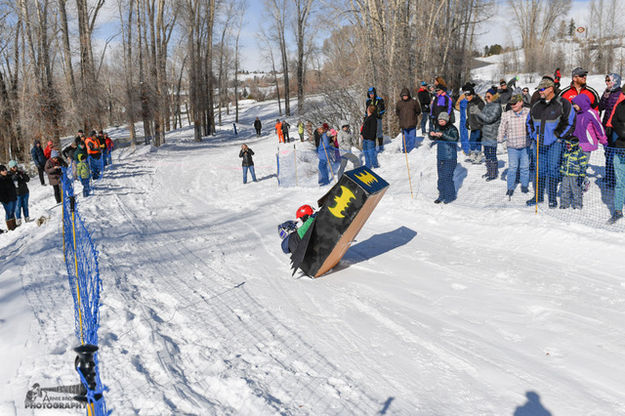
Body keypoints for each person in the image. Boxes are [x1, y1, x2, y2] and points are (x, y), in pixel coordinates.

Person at [526, 76, 575, 208]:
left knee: (553, 170)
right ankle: (538, 196)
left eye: (542, 89)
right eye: (539, 89)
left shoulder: (563, 103)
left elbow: (570, 122)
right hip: (538, 142)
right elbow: (529, 121)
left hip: (554, 143)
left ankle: (552, 198)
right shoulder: (536, 104)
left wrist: (557, 135)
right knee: (539, 170)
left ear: (550, 88)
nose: (540, 92)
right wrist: (533, 135)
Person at [571, 94, 607, 191]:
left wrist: (603, 140)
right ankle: (582, 180)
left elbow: (599, 127)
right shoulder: (576, 114)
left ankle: (582, 183)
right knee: (576, 165)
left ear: (581, 103)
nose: (574, 106)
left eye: (575, 104)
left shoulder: (592, 113)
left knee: (582, 165)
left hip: (588, 143)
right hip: (577, 144)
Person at [497, 94, 531, 196]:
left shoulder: (528, 112)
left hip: (525, 145)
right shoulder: (507, 114)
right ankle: (510, 187)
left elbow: (534, 125)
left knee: (525, 167)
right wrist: (499, 140)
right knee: (513, 167)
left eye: (515, 103)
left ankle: (524, 186)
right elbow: (502, 128)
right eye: (511, 104)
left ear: (521, 102)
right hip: (512, 146)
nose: (512, 105)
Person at [599, 73, 622, 188]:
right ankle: (609, 175)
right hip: (606, 126)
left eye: (609, 80)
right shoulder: (608, 92)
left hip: (615, 128)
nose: (607, 83)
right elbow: (601, 107)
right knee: (607, 152)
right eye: (606, 80)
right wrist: (604, 96)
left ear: (615, 81)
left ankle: (614, 179)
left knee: (614, 153)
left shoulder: (620, 94)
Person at [473, 87, 502, 181]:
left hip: (492, 134)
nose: (486, 98)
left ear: (494, 96)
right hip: (485, 133)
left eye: (488, 96)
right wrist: (475, 114)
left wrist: (479, 113)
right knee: (487, 154)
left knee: (492, 154)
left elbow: (489, 119)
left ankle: (493, 173)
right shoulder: (487, 106)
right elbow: (482, 120)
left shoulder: (497, 106)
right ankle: (489, 171)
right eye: (485, 97)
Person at [429, 112, 458, 204]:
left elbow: (455, 139)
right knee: (441, 177)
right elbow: (433, 138)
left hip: (450, 157)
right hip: (440, 156)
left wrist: (443, 135)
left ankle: (450, 196)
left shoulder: (452, 128)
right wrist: (432, 135)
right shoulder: (438, 128)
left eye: (442, 121)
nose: (440, 122)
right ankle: (441, 195)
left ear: (446, 120)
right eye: (439, 121)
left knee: (447, 177)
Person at [606, 90, 625, 223]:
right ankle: (618, 210)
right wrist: (622, 132)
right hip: (620, 147)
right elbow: (615, 121)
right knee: (620, 182)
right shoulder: (620, 106)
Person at [559, 137, 588, 209]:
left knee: (576, 190)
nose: (567, 147)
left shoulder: (580, 154)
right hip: (566, 175)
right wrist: (561, 172)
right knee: (565, 190)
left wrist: (581, 176)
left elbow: (583, 166)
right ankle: (564, 204)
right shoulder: (566, 153)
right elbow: (563, 163)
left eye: (569, 145)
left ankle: (577, 205)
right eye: (566, 145)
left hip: (575, 176)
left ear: (574, 145)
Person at [463, 83, 486, 164]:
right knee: (472, 141)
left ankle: (478, 155)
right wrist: (467, 121)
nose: (467, 97)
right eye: (465, 96)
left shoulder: (479, 102)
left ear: (472, 94)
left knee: (476, 140)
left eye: (468, 95)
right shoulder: (469, 103)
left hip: (479, 125)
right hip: (473, 125)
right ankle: (473, 154)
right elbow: (470, 114)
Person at [395, 87, 421, 153]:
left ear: (408, 95)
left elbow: (418, 111)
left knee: (412, 139)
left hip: (412, 124)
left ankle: (411, 151)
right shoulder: (399, 103)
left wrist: (414, 117)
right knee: (405, 139)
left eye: (406, 95)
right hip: (403, 125)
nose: (405, 97)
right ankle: (405, 151)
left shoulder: (414, 102)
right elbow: (397, 112)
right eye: (403, 96)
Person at [8, 160, 30, 225]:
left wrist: (23, 175)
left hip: (25, 191)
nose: (15, 168)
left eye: (15, 166)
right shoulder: (9, 174)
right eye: (13, 167)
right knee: (18, 206)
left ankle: (27, 217)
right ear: (10, 167)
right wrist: (14, 177)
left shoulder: (20, 172)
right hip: (17, 194)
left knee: (25, 206)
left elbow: (27, 180)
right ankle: (18, 219)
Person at [365, 86, 386, 152]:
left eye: (372, 93)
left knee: (379, 132)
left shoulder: (379, 99)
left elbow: (383, 109)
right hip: (370, 119)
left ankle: (381, 147)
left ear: (374, 93)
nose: (371, 94)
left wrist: (379, 114)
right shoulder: (368, 101)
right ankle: (373, 147)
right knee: (372, 133)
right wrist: (366, 117)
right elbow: (366, 110)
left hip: (378, 118)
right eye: (370, 93)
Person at [0, 164, 18, 230]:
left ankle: (14, 224)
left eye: (5, 169)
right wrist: (4, 199)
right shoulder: (0, 179)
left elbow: (13, 187)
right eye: (3, 170)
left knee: (12, 211)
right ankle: (10, 227)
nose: (5, 171)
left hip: (13, 197)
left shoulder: (9, 177)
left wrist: (15, 195)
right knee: (8, 212)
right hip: (6, 200)